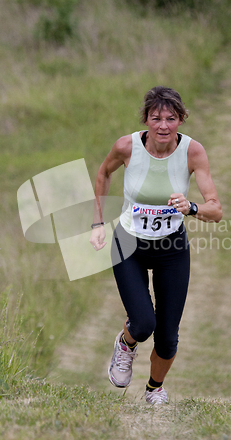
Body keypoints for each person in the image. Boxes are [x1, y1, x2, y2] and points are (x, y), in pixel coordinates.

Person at [89, 86, 222, 405]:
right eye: (156, 118)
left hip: (171, 248)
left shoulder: (193, 152)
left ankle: (154, 389)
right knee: (144, 323)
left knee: (167, 335)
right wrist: (97, 223)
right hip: (129, 244)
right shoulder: (126, 147)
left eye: (171, 118)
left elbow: (215, 210)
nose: (163, 125)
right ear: (146, 119)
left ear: (181, 120)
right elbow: (103, 174)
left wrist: (190, 207)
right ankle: (126, 343)